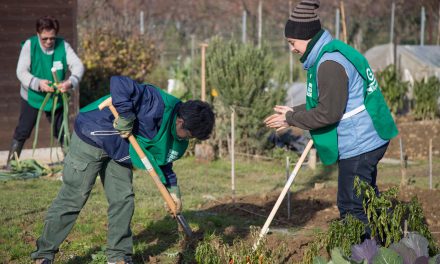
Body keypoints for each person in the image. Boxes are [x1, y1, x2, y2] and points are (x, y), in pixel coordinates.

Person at [31, 75, 215, 264]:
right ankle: (44, 254)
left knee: (123, 199)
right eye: (189, 136)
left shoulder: (177, 130)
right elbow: (119, 82)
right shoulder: (156, 102)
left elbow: (162, 156)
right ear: (180, 122)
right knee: (74, 196)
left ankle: (118, 256)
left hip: (121, 150)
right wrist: (126, 117)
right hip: (93, 135)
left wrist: (173, 190)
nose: (187, 140)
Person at [264, 0, 398, 235]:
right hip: (367, 137)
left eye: (292, 42)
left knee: (351, 205)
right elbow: (327, 99)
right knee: (365, 198)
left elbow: (328, 112)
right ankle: (388, 239)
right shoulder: (331, 52)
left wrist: (293, 119)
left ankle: (367, 253)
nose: (291, 48)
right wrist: (291, 114)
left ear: (306, 37)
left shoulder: (329, 64)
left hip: (360, 142)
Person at [5, 15, 84, 169]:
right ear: (38, 34)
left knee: (62, 133)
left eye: (52, 38)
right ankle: (10, 165)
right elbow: (21, 72)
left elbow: (78, 66)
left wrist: (69, 82)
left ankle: (71, 165)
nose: (48, 42)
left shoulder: (63, 45)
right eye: (44, 38)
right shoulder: (30, 45)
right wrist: (38, 83)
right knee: (23, 130)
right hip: (32, 96)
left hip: (56, 98)